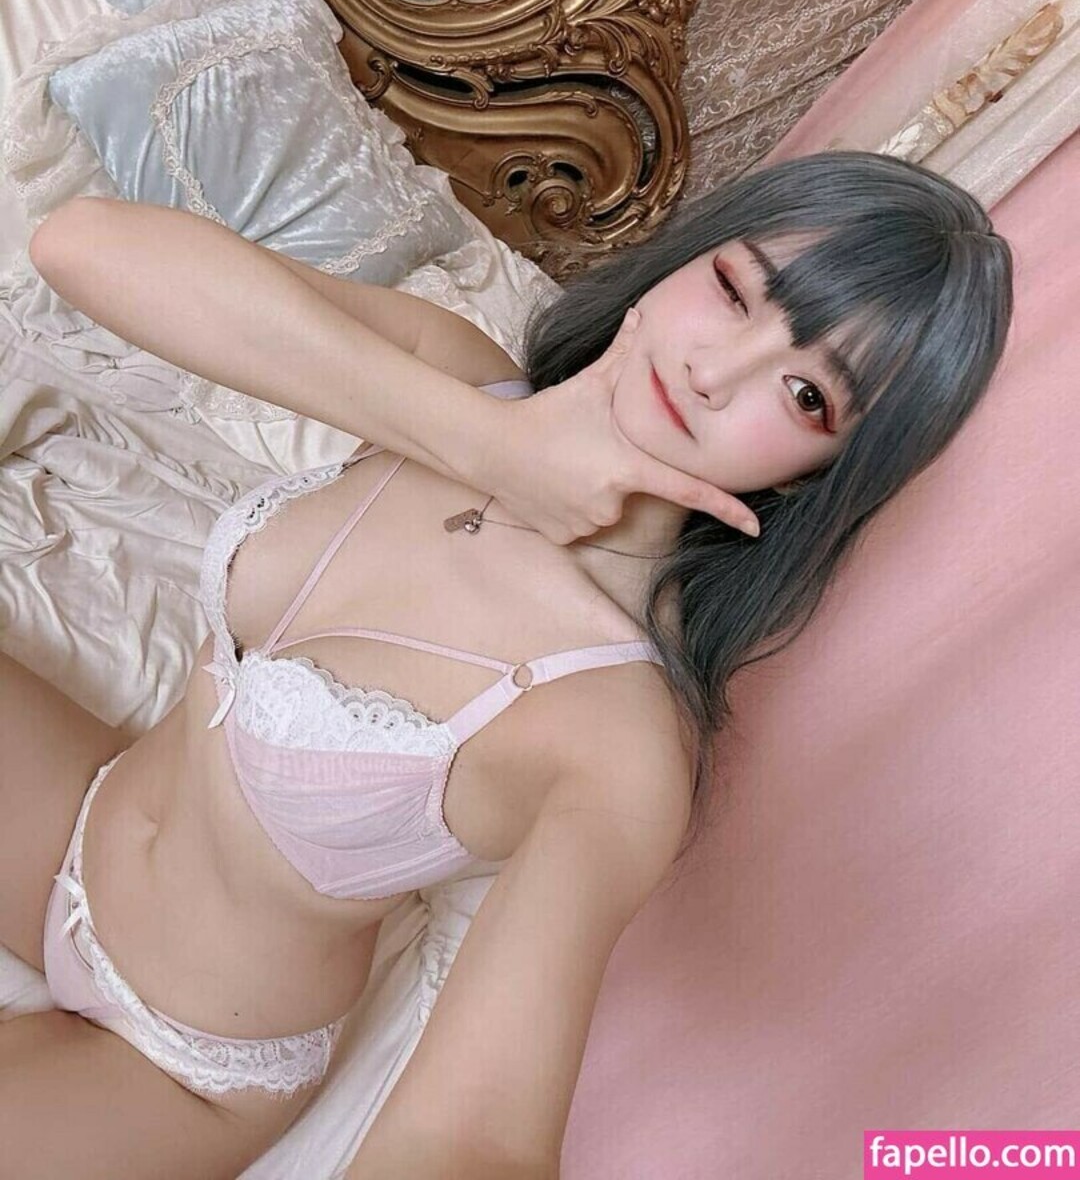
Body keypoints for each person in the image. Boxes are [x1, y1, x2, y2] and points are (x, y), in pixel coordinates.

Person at [0, 150, 1012, 1178]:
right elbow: (82, 244)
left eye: (804, 395)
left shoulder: (616, 741)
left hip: (173, 1062)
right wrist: (487, 441)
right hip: (75, 814)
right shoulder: (457, 378)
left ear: (816, 478)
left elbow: (472, 1141)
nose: (715, 371)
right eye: (733, 288)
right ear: (688, 255)